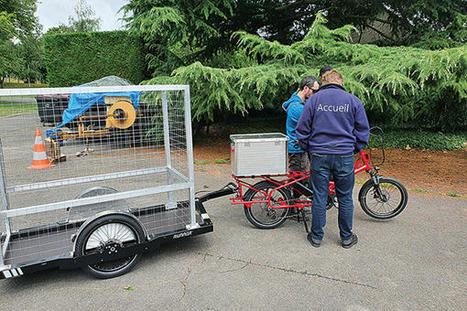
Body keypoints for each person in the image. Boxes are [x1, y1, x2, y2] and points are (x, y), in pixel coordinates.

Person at [296, 69, 369, 249]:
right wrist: (354, 148)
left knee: (320, 196)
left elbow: (302, 129)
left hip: (319, 155)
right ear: (340, 83)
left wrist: (308, 148)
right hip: (344, 156)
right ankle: (346, 238)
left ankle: (316, 237)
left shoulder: (314, 100)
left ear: (324, 82)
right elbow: (363, 131)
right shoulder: (353, 101)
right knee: (344, 197)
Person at [282, 76, 319, 173]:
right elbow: (313, 125)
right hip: (297, 150)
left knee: (300, 180)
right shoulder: (296, 107)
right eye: (314, 91)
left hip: (301, 147)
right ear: (306, 88)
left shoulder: (301, 102)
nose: (316, 94)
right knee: (299, 182)